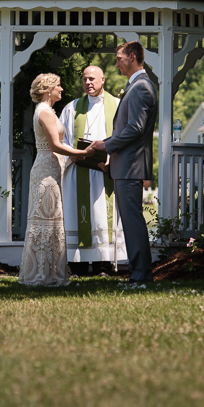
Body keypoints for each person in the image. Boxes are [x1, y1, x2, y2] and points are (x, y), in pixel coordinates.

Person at [91, 41, 158, 285]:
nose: (116, 63)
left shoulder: (141, 88)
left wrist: (106, 144)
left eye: (119, 58)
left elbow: (135, 129)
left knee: (133, 222)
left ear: (132, 56)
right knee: (131, 221)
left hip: (131, 165)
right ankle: (139, 273)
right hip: (125, 164)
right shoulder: (136, 86)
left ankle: (140, 275)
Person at [20, 73, 93, 286]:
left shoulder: (46, 111)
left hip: (50, 166)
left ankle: (48, 272)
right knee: (47, 221)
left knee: (51, 220)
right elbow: (55, 145)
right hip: (47, 170)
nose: (62, 89)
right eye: (58, 86)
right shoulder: (46, 113)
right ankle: (42, 275)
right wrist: (84, 153)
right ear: (48, 89)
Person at [59, 66, 125, 274]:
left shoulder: (117, 105)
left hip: (104, 171)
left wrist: (112, 159)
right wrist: (72, 153)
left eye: (92, 79)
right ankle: (77, 264)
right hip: (78, 171)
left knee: (101, 217)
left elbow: (126, 136)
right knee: (78, 217)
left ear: (103, 79)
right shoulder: (72, 108)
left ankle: (103, 264)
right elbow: (61, 139)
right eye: (85, 79)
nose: (88, 83)